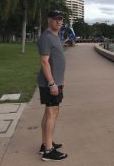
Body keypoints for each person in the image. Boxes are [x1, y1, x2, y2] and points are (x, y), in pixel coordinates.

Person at [37, 10, 68, 161]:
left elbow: (56, 60)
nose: (58, 22)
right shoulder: (46, 37)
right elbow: (44, 62)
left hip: (56, 82)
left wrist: (60, 80)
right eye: (55, 19)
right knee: (52, 113)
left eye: (60, 19)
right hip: (50, 83)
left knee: (49, 113)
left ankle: (46, 144)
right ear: (49, 20)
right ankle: (48, 151)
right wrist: (52, 83)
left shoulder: (55, 36)